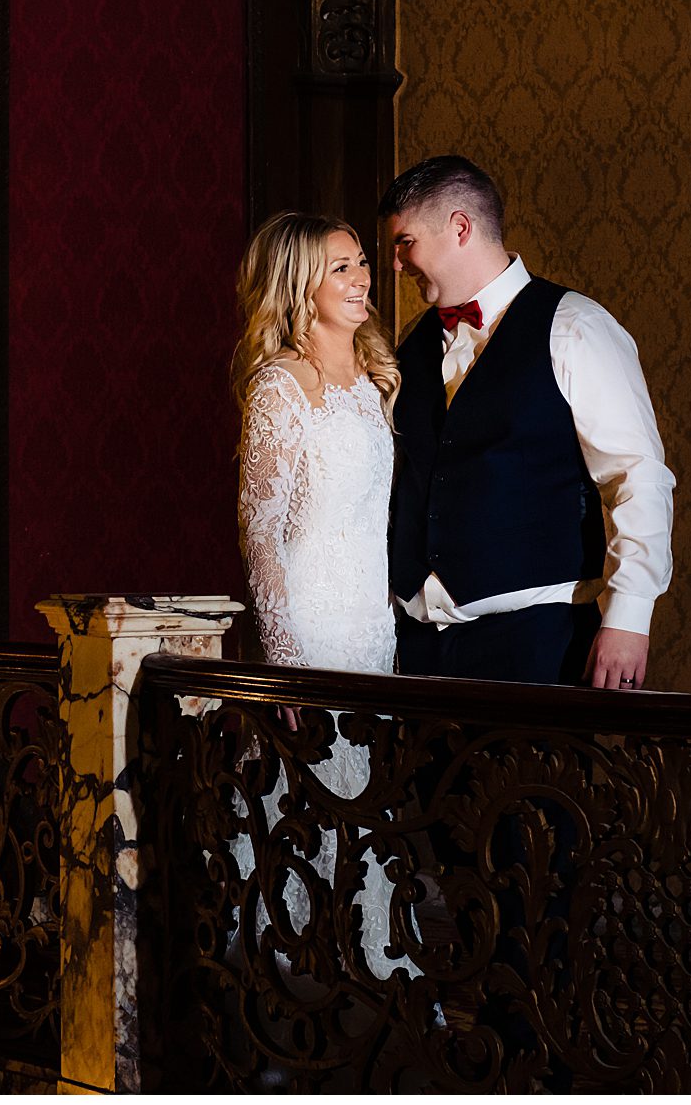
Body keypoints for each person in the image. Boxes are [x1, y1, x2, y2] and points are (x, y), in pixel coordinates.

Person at [378, 156, 675, 688]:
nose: (397, 264)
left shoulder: (575, 327)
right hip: (418, 653)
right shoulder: (410, 347)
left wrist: (629, 616)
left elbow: (637, 477)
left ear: (460, 227)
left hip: (539, 645)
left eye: (405, 242)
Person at [229, 212, 415, 981]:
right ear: (298, 283)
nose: (362, 277)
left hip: (372, 631)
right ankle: (289, 985)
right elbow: (260, 531)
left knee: (367, 819)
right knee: (304, 817)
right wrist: (284, 660)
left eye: (363, 262)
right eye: (341, 267)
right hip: (308, 633)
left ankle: (369, 974)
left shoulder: (377, 380)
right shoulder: (280, 385)